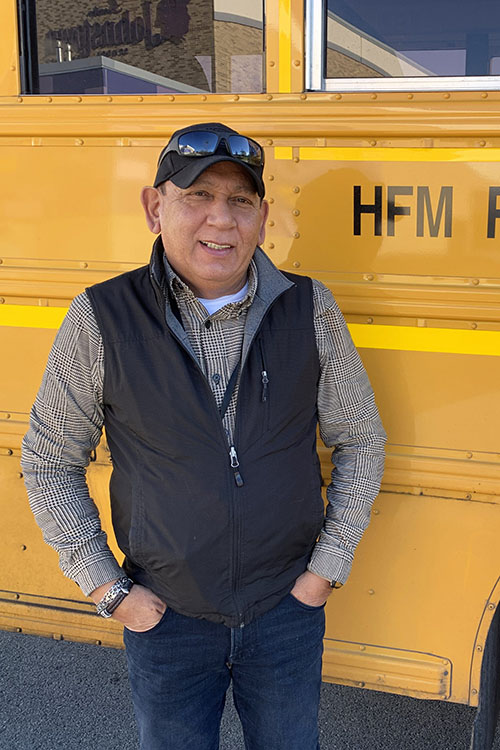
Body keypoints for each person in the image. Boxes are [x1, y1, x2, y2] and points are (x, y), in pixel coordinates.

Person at [22, 122, 386, 750]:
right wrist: (109, 590)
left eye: (239, 201)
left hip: (285, 612)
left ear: (263, 216)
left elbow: (362, 440)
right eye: (196, 196)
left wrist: (324, 572)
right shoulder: (101, 315)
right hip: (166, 618)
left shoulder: (310, 308)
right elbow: (51, 458)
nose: (220, 220)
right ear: (154, 207)